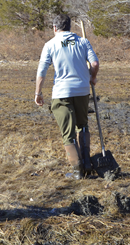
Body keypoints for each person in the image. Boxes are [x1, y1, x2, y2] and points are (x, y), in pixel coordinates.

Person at [34, 14, 100, 179]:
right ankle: (86, 164)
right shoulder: (82, 42)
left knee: (67, 133)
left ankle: (77, 171)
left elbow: (42, 71)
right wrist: (92, 77)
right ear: (70, 27)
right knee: (82, 126)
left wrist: (38, 93)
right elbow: (95, 64)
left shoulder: (50, 45)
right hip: (82, 90)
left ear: (55, 28)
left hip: (62, 93)